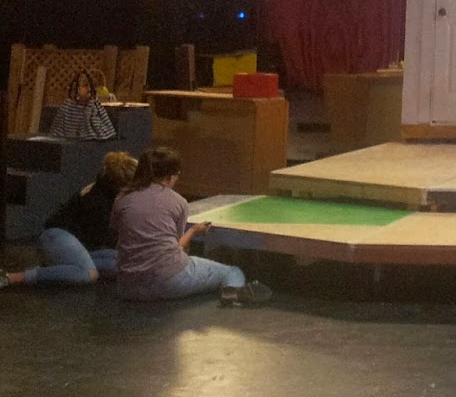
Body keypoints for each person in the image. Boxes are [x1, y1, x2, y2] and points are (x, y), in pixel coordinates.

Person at [111, 147, 271, 306]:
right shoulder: (178, 201)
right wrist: (193, 231)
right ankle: (232, 293)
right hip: (168, 281)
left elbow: (121, 233)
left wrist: (193, 230)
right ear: (170, 176)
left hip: (128, 285)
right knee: (233, 272)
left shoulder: (122, 197)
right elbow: (177, 245)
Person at [1, 151, 137, 289]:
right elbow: (107, 237)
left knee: (123, 264)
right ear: (122, 183)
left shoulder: (105, 190)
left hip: (76, 243)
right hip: (57, 235)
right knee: (88, 274)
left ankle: (61, 268)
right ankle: (11, 277)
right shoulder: (98, 200)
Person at [48, 69, 117, 141]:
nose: (89, 89)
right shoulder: (67, 108)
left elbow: (107, 130)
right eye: (85, 86)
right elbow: (57, 132)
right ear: (76, 88)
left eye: (91, 86)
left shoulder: (96, 106)